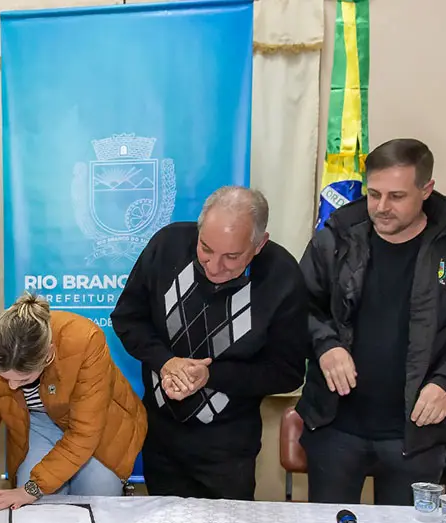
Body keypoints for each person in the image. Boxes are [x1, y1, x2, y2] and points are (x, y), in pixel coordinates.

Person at [297, 138, 446, 505]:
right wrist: (326, 345)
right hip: (335, 427)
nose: (381, 207)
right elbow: (298, 306)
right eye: (374, 194)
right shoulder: (336, 237)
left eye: (396, 196)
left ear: (426, 189)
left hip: (419, 433)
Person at [110, 186, 308, 501]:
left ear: (259, 244)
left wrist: (211, 376)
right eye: (205, 248)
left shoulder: (282, 276)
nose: (214, 267)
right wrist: (165, 362)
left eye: (232, 257)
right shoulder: (167, 245)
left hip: (229, 446)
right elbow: (127, 318)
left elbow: (287, 372)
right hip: (161, 435)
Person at [0, 294, 145, 511]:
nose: (12, 386)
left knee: (98, 496)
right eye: (5, 378)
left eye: (23, 380)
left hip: (101, 429)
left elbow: (84, 433)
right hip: (37, 425)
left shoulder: (85, 340)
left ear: (48, 355)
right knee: (36, 509)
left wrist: (31, 489)